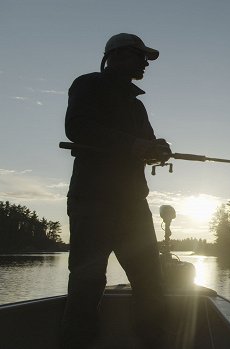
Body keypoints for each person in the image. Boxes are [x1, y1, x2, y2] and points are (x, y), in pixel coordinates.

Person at [61, 33, 172, 349]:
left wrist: (158, 149)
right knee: (87, 280)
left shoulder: (137, 106)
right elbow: (78, 128)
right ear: (119, 55)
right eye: (141, 57)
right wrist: (132, 145)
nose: (145, 64)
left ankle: (156, 342)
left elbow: (147, 144)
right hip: (92, 200)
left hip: (133, 205)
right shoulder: (88, 85)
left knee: (151, 282)